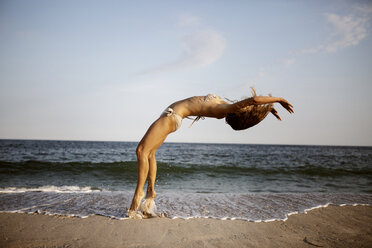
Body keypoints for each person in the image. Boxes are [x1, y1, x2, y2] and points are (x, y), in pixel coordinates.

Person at [128, 89, 294, 219]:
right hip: (172, 117)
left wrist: (279, 100)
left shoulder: (225, 109)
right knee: (150, 153)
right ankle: (150, 191)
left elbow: (254, 100)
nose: (246, 106)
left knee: (141, 151)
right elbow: (253, 105)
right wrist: (268, 109)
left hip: (172, 117)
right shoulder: (226, 106)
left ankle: (138, 193)